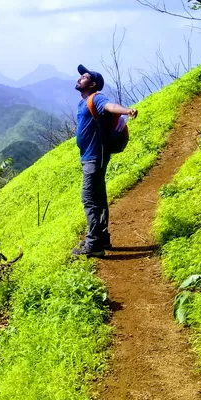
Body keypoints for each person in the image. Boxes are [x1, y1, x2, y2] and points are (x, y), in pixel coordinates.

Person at [71, 64, 138, 257]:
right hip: (90, 157)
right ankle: (102, 237)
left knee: (90, 198)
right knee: (98, 197)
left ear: (92, 84)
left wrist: (127, 111)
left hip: (95, 157)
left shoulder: (96, 97)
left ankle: (94, 245)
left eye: (84, 77)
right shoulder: (83, 102)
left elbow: (110, 106)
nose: (79, 79)